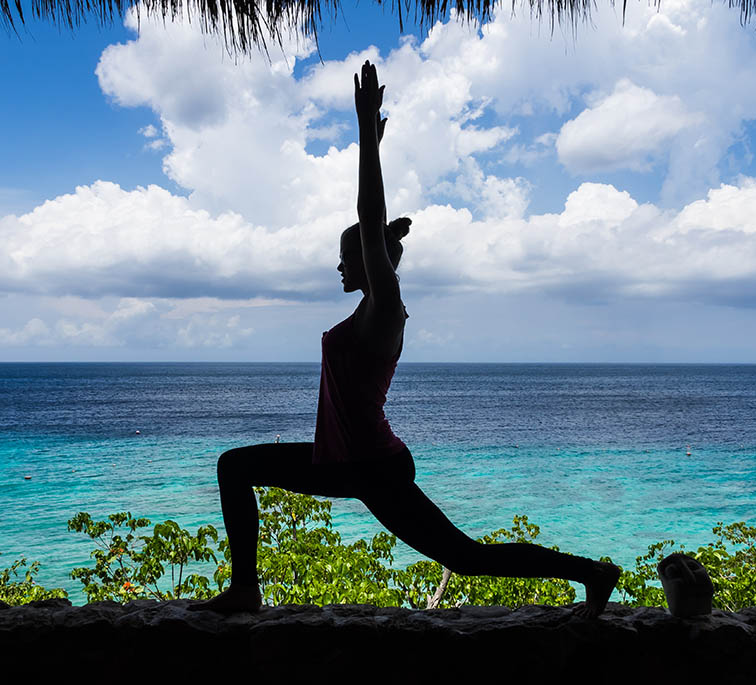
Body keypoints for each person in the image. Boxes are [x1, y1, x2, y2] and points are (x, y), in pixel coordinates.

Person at [191, 60, 621, 618]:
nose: (338, 266)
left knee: (465, 557)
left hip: (371, 465)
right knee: (235, 466)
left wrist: (366, 133)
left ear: (371, 260)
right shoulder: (367, 312)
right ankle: (245, 589)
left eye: (347, 257)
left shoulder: (384, 309)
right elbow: (371, 232)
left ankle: (591, 573)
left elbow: (370, 217)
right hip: (339, 461)